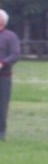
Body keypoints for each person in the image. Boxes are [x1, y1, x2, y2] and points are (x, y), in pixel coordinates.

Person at [0, 9, 21, 142]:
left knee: (1, 106)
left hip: (3, 77)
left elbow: (15, 54)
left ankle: (1, 132)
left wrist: (3, 62)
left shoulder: (10, 36)